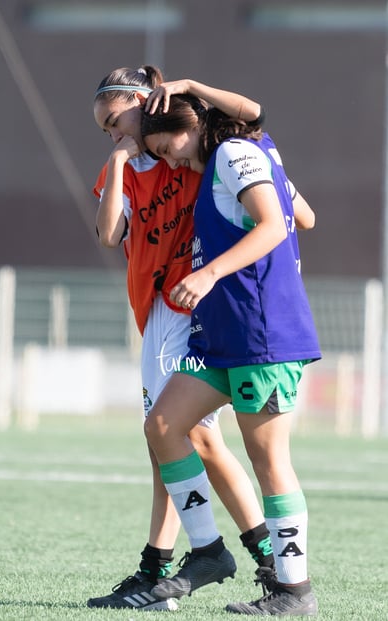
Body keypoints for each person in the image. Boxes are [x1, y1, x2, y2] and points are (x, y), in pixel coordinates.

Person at [87, 66, 277, 612]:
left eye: (115, 122)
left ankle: (162, 568)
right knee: (197, 441)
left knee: (167, 438)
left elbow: (252, 116)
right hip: (155, 314)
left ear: (148, 105)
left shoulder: (190, 146)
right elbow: (108, 234)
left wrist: (190, 88)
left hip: (184, 308)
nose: (112, 133)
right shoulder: (127, 165)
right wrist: (119, 161)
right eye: (104, 130)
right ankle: (267, 557)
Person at [141, 94, 321, 616]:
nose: (171, 160)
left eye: (168, 146)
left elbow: (274, 224)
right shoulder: (241, 155)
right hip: (220, 337)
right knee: (164, 426)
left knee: (269, 461)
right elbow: (303, 215)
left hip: (260, 335)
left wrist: (210, 271)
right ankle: (208, 553)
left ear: (193, 123)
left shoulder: (233, 153)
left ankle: (293, 592)